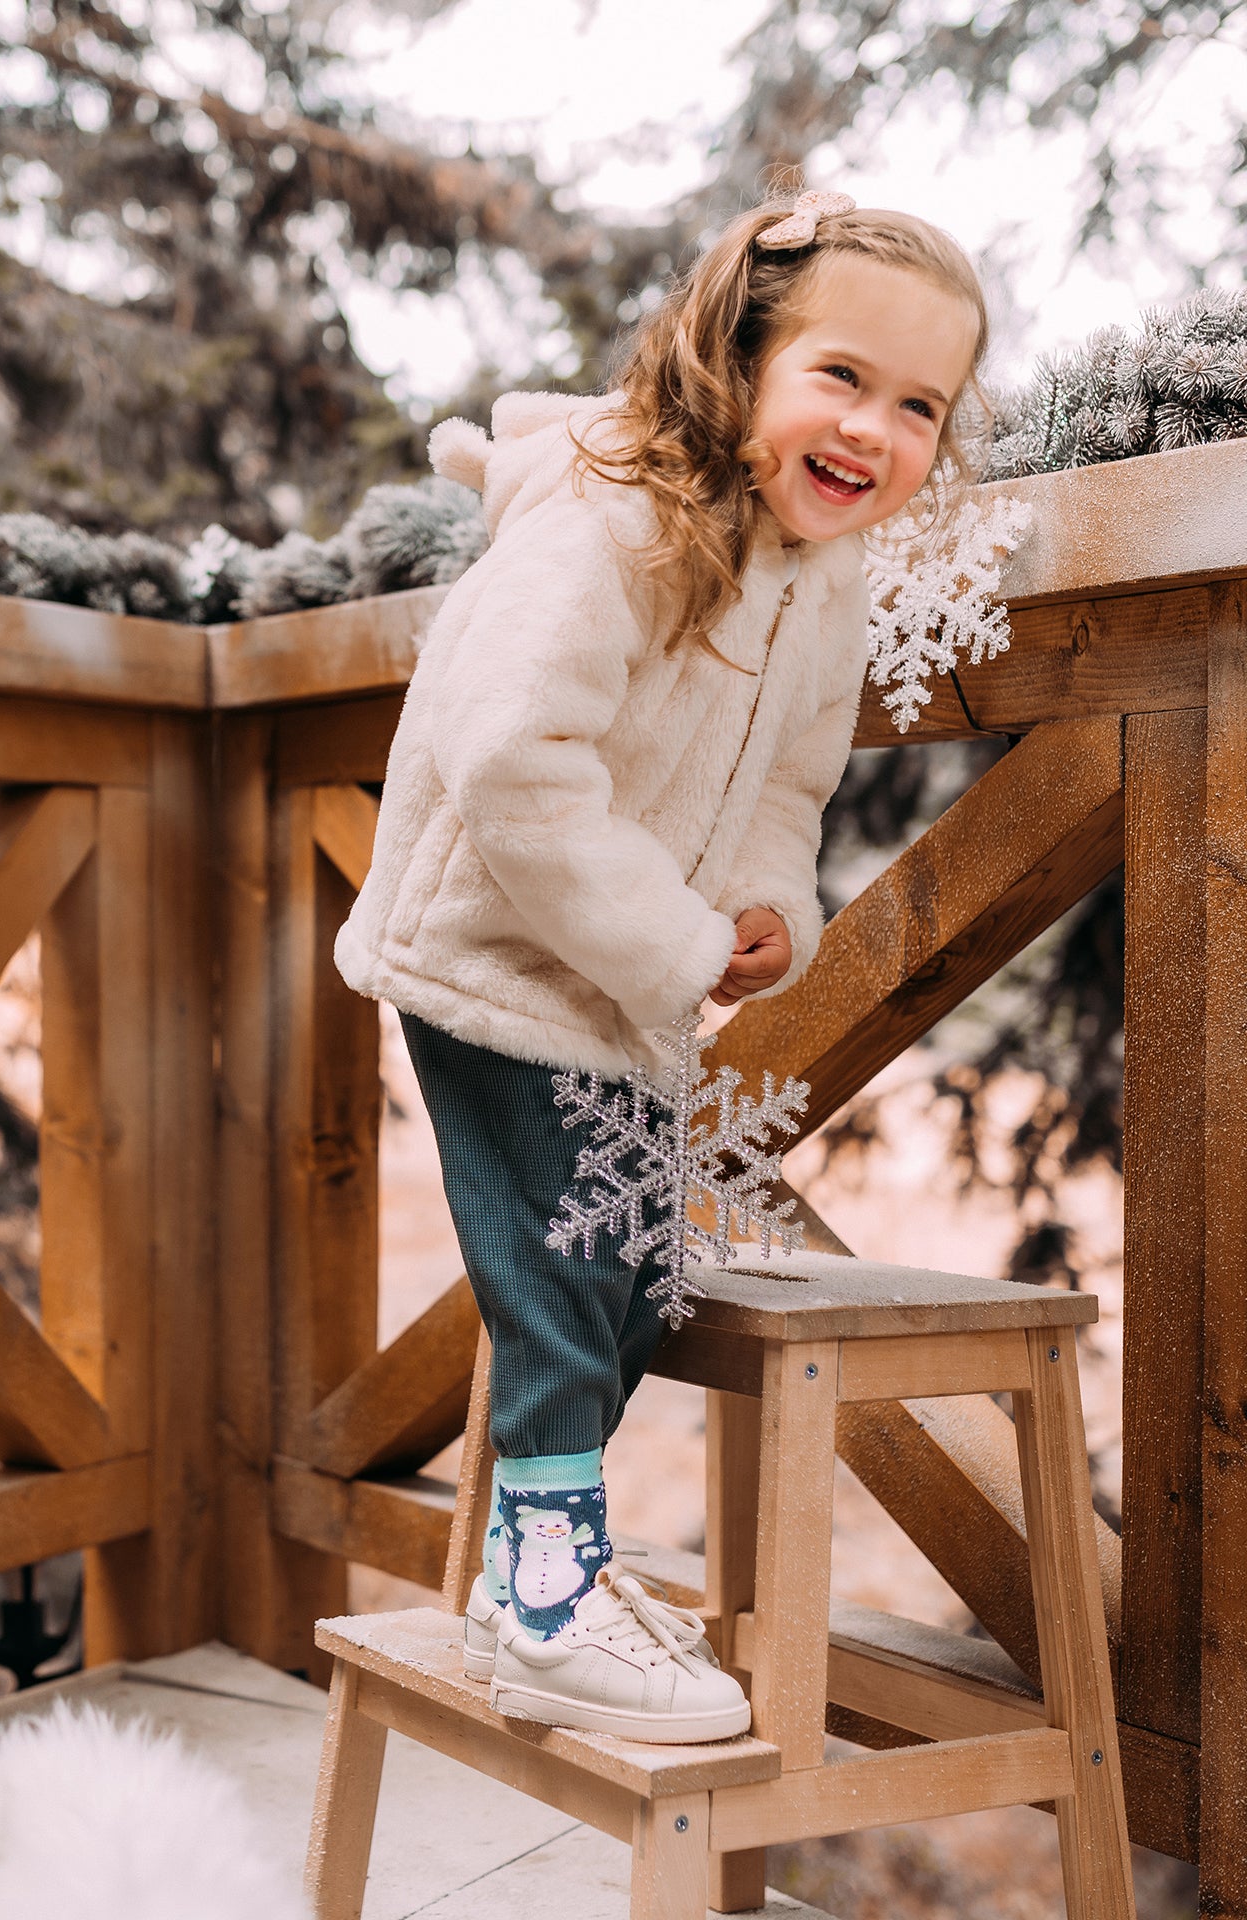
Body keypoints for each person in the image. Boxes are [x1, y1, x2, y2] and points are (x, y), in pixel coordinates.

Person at [336, 188, 988, 1743]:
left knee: (633, 1267)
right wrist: (680, 939)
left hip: (614, 981)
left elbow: (785, 787)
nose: (874, 430)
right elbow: (512, 758)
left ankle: (529, 1575)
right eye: (841, 376)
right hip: (492, 948)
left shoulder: (820, 580)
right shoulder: (616, 521)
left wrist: (767, 905)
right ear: (741, 354)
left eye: (920, 407)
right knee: (564, 1264)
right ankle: (555, 1600)